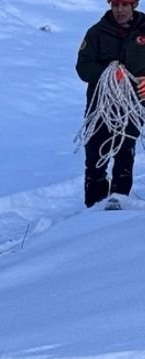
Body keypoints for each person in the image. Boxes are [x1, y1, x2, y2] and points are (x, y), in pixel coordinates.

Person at [77, 0, 145, 209]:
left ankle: (119, 203)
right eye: (115, 4)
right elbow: (83, 67)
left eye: (125, 4)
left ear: (133, 5)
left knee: (125, 153)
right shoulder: (96, 33)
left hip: (132, 106)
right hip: (101, 108)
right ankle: (94, 207)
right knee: (95, 157)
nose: (120, 10)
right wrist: (107, 74)